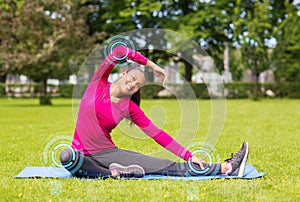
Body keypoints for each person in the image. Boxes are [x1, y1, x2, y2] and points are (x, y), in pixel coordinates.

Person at [60, 45, 249, 179]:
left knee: (164, 166)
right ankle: (112, 173)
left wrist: (188, 155)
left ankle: (226, 168)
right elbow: (118, 51)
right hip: (81, 156)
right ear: (124, 74)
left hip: (107, 153)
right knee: (67, 157)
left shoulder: (129, 107)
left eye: (138, 86)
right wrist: (152, 66)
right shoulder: (98, 82)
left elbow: (157, 134)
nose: (133, 84)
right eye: (133, 78)